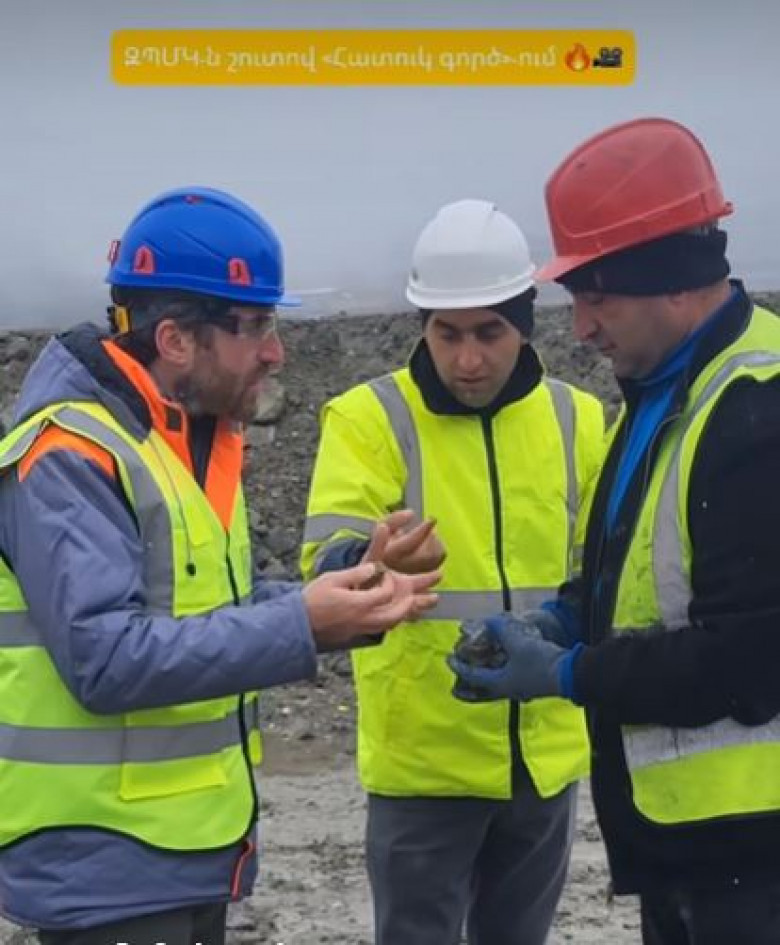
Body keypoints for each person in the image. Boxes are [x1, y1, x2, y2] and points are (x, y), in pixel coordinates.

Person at [0, 186, 441, 945]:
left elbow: (209, 603)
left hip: (175, 853)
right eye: (256, 326)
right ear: (176, 339)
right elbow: (104, 658)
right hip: (107, 865)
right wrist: (302, 624)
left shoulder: (180, 440)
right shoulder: (70, 454)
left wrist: (346, 594)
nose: (276, 352)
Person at [448, 118, 780, 945]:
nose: (583, 328)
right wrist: (564, 618)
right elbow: (645, 575)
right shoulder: (666, 388)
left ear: (671, 281)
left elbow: (749, 655)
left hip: (757, 853)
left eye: (598, 299)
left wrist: (566, 671)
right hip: (692, 846)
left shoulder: (756, 409)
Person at [301, 198, 605, 945]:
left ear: (524, 325)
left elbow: (603, 572)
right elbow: (326, 561)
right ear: (423, 327)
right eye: (448, 333)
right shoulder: (368, 417)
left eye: (488, 333)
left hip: (544, 757)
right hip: (424, 763)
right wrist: (371, 561)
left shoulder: (579, 419)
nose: (468, 359)